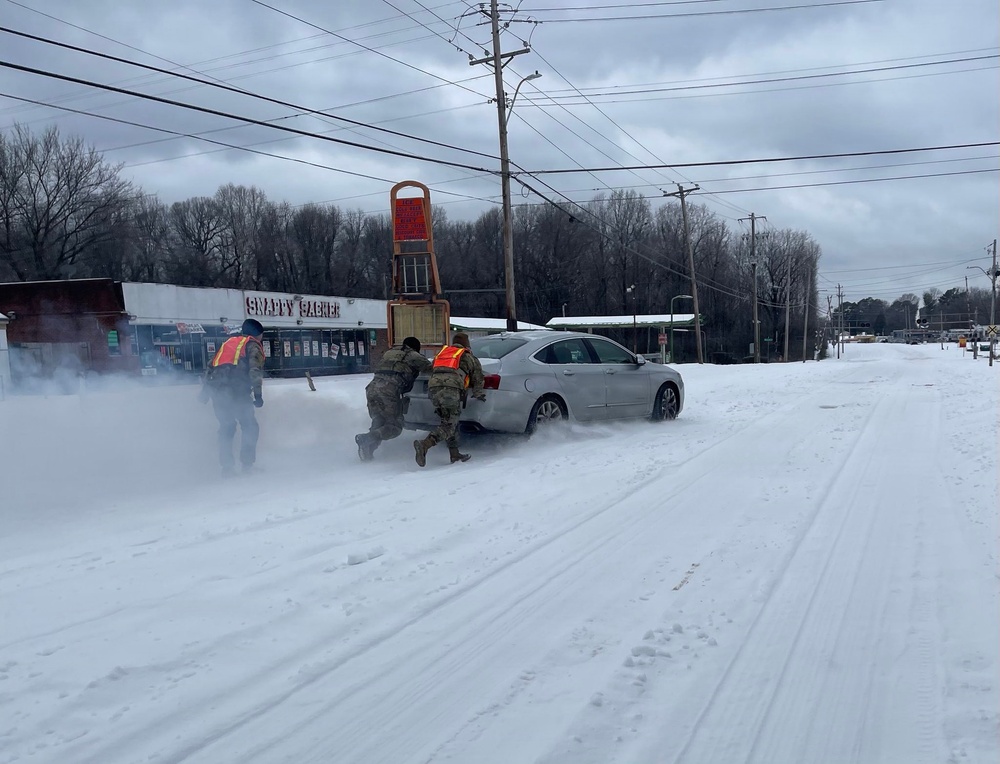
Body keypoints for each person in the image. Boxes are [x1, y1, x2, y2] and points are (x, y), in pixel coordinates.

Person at [200, 318, 266, 476]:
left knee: (226, 428)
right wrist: (258, 394)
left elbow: (211, 367)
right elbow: (255, 370)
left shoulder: (228, 344)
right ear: (257, 334)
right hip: (238, 393)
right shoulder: (252, 345)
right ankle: (247, 466)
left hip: (218, 393)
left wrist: (205, 393)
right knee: (250, 426)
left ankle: (227, 468)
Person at [413, 332, 485, 467]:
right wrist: (478, 393)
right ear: (467, 344)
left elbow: (430, 369)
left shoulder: (443, 353)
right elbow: (478, 378)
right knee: (449, 424)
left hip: (433, 388)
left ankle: (454, 453)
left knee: (449, 421)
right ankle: (424, 445)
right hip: (450, 389)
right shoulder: (467, 356)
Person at [355, 336, 431, 461]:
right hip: (388, 391)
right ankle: (366, 438)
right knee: (395, 427)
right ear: (416, 348)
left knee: (379, 421)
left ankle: (368, 450)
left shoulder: (389, 352)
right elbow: (432, 368)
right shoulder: (414, 356)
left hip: (371, 389)